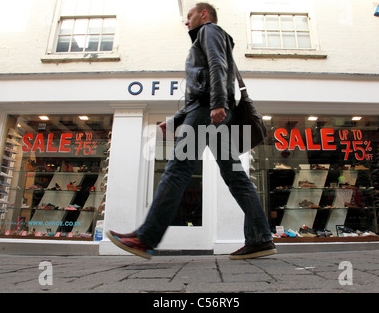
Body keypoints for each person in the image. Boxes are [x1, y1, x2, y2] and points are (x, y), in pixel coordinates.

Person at [106, 2, 277, 260]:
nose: (187, 21)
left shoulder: (209, 30)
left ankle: (144, 238)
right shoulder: (210, 35)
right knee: (235, 176)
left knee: (176, 171)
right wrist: (175, 121)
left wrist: (218, 103)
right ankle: (261, 238)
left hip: (206, 110)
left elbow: (216, 67)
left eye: (190, 15)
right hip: (208, 111)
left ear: (204, 14)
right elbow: (206, 80)